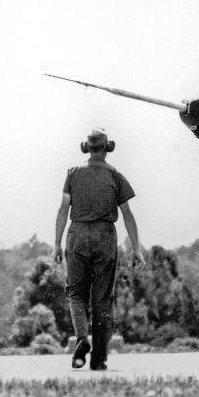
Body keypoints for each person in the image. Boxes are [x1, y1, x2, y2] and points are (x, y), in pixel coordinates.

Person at [54, 128, 143, 370]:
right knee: (103, 299)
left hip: (77, 235)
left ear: (86, 148)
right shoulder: (116, 176)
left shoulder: (72, 173)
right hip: (105, 236)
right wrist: (136, 248)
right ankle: (99, 359)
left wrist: (57, 243)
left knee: (76, 294)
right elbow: (127, 214)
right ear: (107, 148)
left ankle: (82, 339)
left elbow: (63, 209)